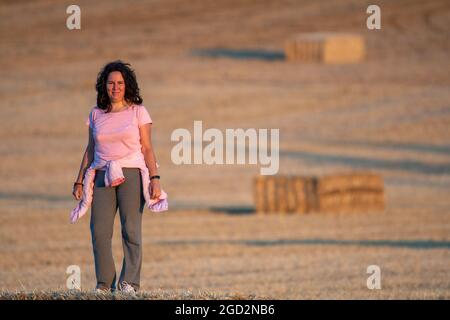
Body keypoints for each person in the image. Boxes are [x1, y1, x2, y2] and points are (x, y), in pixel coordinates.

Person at [71, 60, 167, 294]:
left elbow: (147, 148)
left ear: (127, 86)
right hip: (102, 174)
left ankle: (129, 283)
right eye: (111, 83)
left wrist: (155, 177)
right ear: (104, 86)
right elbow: (90, 149)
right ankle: (104, 283)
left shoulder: (138, 111)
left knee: (131, 229)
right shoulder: (96, 114)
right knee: (99, 231)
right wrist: (80, 179)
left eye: (120, 83)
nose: (115, 87)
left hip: (131, 173)